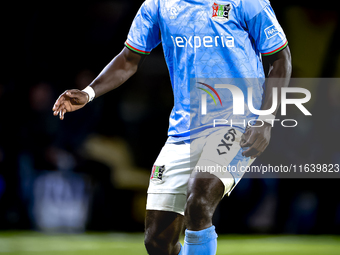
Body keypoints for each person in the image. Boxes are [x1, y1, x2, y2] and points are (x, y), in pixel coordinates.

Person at [52, 0, 291, 254]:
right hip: (183, 130)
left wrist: (265, 120)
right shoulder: (157, 5)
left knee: (199, 197)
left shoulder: (247, 2)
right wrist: (88, 93)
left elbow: (280, 58)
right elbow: (128, 59)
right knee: (156, 240)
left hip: (238, 122)